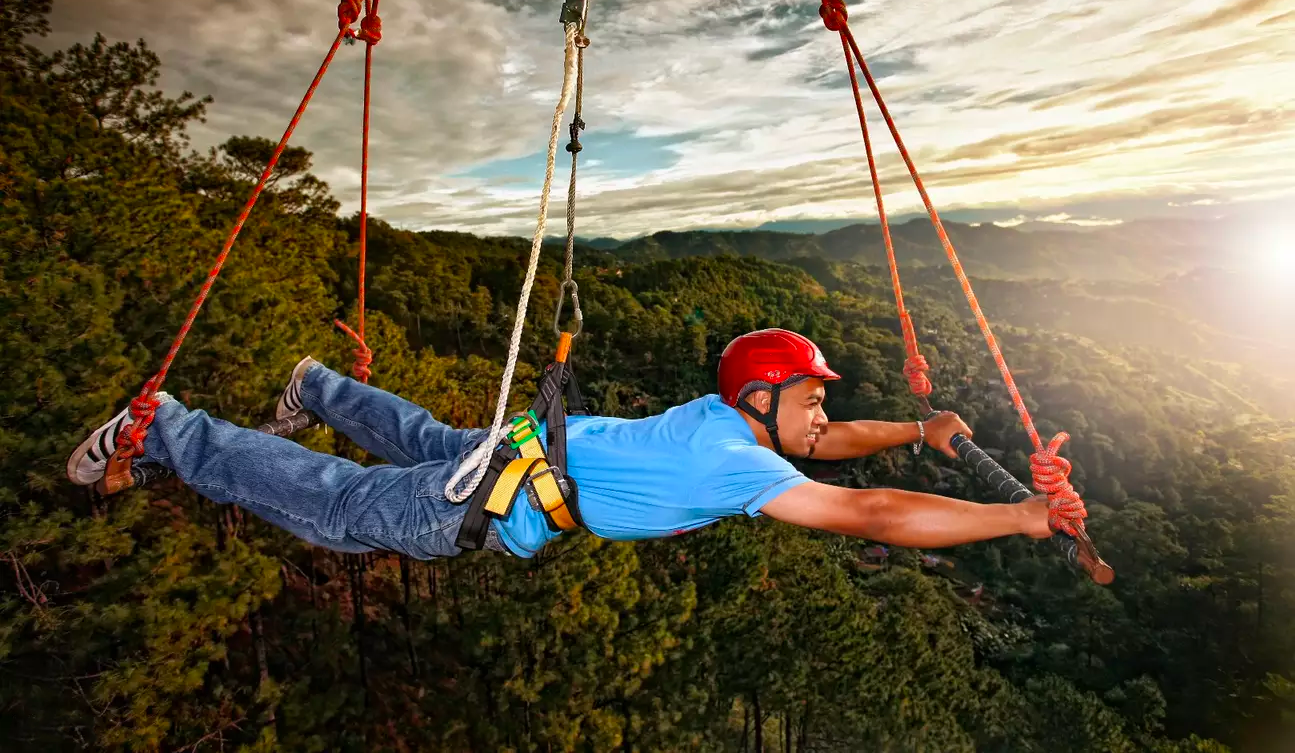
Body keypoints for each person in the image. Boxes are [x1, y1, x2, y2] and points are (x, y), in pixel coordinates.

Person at [67, 328, 1052, 559]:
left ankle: (314, 382)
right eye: (811, 395)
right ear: (764, 394)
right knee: (332, 509)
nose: (821, 416)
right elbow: (865, 508)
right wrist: (1013, 514)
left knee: (412, 431)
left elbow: (833, 445)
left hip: (525, 444)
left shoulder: (728, 422)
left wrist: (918, 430)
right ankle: (168, 428)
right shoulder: (740, 458)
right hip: (494, 498)